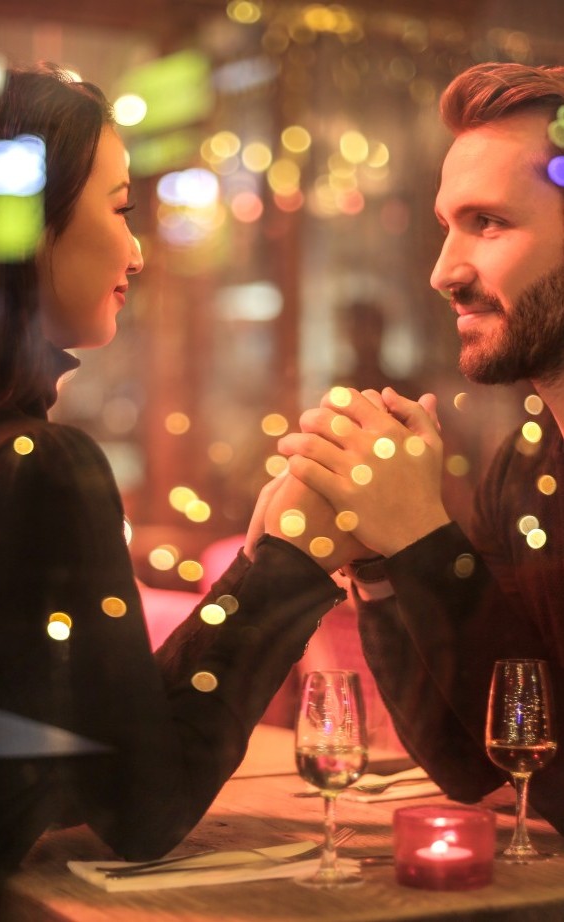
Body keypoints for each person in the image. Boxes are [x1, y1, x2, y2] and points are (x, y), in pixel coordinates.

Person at [0, 63, 360, 920]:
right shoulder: (37, 465)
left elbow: (61, 761)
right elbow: (141, 807)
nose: (137, 250)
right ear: (32, 229)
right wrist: (286, 562)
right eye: (120, 208)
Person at [274, 63, 564, 836]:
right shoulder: (527, 466)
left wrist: (420, 540)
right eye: (447, 225)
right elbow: (477, 763)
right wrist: (378, 566)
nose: (444, 272)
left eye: (489, 223)